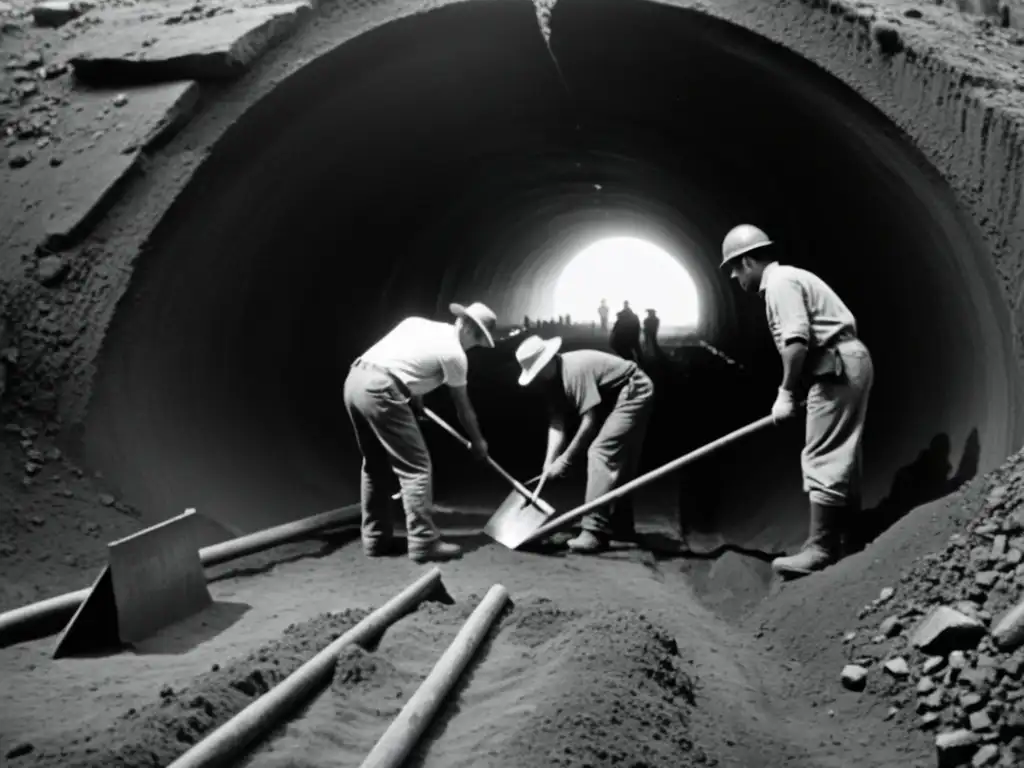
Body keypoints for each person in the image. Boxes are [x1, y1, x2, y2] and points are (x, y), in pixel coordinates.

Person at [721, 224, 874, 578]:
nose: (733, 276)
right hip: (846, 361)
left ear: (747, 262)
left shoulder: (778, 285)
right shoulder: (790, 278)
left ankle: (820, 548)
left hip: (838, 367)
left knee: (822, 453)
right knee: (844, 453)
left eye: (733, 267)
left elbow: (796, 341)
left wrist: (786, 391)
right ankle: (847, 536)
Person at [343, 302, 497, 563]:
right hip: (382, 390)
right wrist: (478, 440)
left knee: (375, 465)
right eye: (477, 342)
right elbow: (463, 407)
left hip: (355, 381)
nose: (473, 348)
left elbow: (404, 362)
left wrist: (414, 394)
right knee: (416, 468)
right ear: (470, 329)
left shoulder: (417, 322)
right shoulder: (454, 354)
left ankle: (375, 538)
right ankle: (423, 541)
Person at [514, 335, 655, 554]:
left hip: (634, 390)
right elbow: (557, 424)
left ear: (550, 360)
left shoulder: (574, 372)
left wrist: (566, 460)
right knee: (619, 462)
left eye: (539, 369)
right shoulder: (550, 381)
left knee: (601, 453)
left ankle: (594, 532)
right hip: (613, 396)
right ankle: (622, 526)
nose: (538, 376)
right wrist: (548, 463)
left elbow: (589, 422)